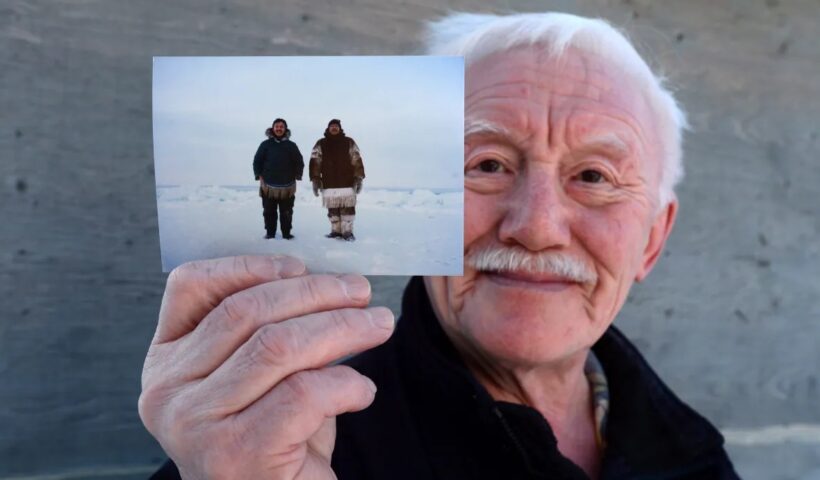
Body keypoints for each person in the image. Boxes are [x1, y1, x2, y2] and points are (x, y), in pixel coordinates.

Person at [141, 12, 739, 480]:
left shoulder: (695, 454)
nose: (535, 227)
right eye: (487, 164)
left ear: (652, 242)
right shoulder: (270, 447)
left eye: (593, 178)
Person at [309, 119, 365, 241]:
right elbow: (315, 161)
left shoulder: (348, 142)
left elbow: (356, 159)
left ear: (340, 128)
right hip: (330, 182)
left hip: (347, 182)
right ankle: (336, 231)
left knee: (348, 209)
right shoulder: (321, 143)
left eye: (336, 126)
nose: (334, 128)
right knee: (333, 209)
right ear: (328, 128)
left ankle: (347, 232)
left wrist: (359, 177)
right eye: (332, 126)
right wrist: (315, 179)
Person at [253, 118, 304, 239]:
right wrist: (257, 174)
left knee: (286, 212)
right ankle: (270, 234)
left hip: (288, 185)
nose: (279, 128)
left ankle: (286, 234)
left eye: (281, 126)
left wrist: (298, 174)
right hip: (268, 185)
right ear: (272, 128)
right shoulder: (265, 145)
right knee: (269, 211)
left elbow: (299, 161)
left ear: (285, 129)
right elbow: (257, 161)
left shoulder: (291, 145)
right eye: (277, 126)